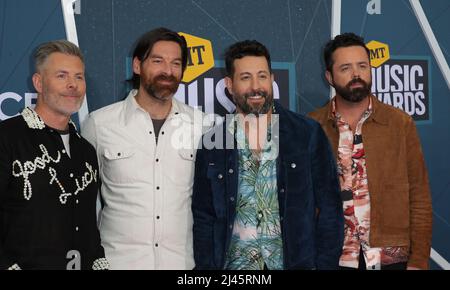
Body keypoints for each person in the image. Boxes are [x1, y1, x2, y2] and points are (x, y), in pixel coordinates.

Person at [192, 40, 344, 270]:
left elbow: (330, 208)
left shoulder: (305, 133)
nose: (256, 86)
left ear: (272, 80)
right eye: (245, 78)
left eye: (262, 76)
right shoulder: (213, 144)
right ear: (229, 85)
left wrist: (324, 265)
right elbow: (203, 218)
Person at [82, 27, 210, 269]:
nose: (168, 71)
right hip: (117, 263)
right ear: (137, 65)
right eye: (158, 61)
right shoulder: (100, 124)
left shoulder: (201, 126)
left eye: (176, 63)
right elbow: (80, 204)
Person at [308, 32, 432, 270]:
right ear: (329, 77)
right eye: (345, 68)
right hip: (333, 259)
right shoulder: (312, 127)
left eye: (362, 66)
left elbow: (419, 198)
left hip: (390, 259)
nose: (356, 74)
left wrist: (418, 261)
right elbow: (303, 202)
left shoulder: (400, 123)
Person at [0, 40, 108, 270]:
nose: (73, 85)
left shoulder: (86, 151)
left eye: (79, 77)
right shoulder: (7, 138)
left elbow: (88, 226)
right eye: (62, 76)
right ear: (38, 82)